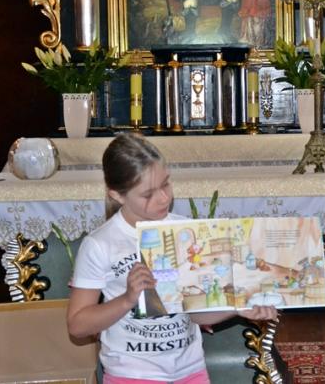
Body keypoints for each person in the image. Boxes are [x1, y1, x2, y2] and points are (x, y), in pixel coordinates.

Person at [67, 134, 277, 383]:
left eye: (166, 184)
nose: (164, 198)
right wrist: (128, 299)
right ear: (117, 195)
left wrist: (238, 307)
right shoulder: (100, 244)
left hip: (190, 370)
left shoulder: (184, 232)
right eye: (148, 194)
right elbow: (77, 325)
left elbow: (194, 313)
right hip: (133, 373)